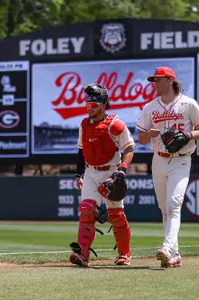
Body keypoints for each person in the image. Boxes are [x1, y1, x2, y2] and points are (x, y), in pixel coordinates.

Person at [136, 67, 199, 268]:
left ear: (170, 80)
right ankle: (175, 255)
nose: (155, 83)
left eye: (158, 80)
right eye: (154, 80)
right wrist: (149, 134)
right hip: (158, 159)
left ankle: (167, 248)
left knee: (173, 204)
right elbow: (141, 138)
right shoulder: (150, 107)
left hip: (181, 160)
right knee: (164, 210)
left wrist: (188, 135)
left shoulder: (188, 104)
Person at [69, 83, 135, 267]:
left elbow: (129, 148)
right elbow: (81, 150)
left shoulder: (115, 125)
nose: (89, 108)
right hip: (90, 172)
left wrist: (122, 169)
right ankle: (82, 254)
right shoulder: (84, 124)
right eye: (87, 104)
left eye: (93, 104)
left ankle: (125, 254)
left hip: (110, 172)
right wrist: (78, 174)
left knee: (115, 214)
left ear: (103, 104)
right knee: (87, 210)